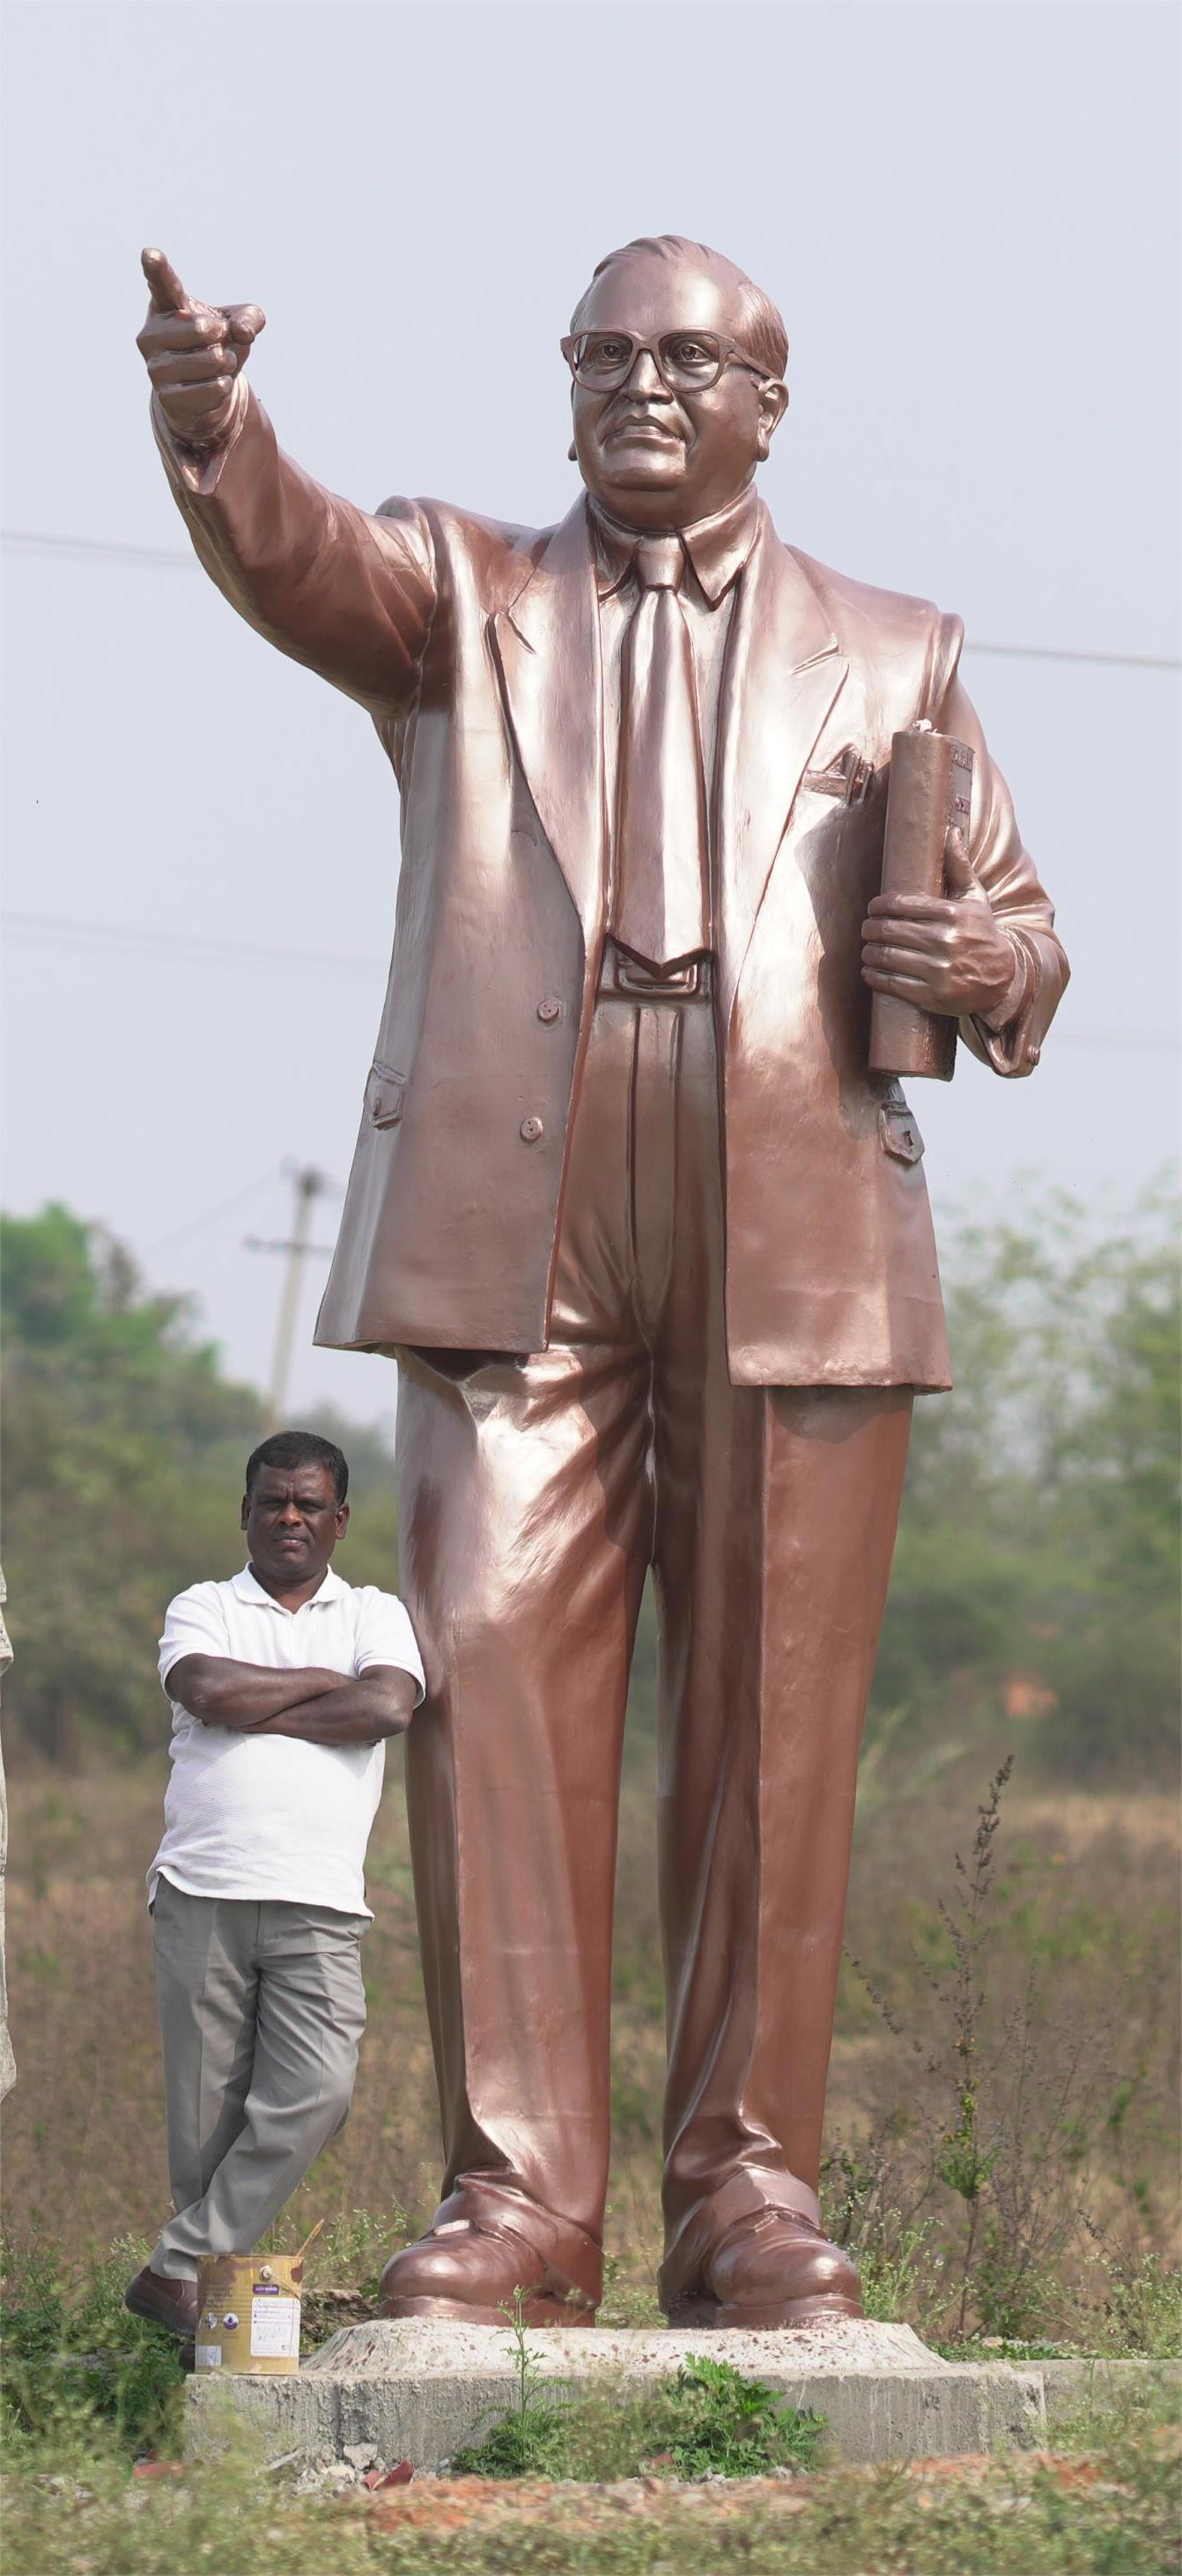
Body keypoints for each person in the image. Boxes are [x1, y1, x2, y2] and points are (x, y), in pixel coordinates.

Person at [135, 234, 1067, 2330]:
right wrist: (215, 428)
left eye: (682, 356)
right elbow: (295, 564)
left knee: (770, 1724)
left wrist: (976, 962)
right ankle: (518, 2198)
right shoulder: (462, 595)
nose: (637, 385)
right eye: (599, 354)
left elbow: (1023, 930)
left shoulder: (891, 651)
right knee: (493, 1710)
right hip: (518, 1209)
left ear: (764, 399)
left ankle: (746, 2194)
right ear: (562, 389)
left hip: (790, 1204)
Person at [124, 1430, 423, 2336]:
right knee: (207, 2140)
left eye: (306, 1505)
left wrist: (273, 1700)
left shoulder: (375, 1611)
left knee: (318, 2092)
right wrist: (321, 1686)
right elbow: (207, 1688)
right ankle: (220, 2356)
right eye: (270, 1502)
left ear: (338, 1520)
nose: (287, 1517)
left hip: (320, 1905)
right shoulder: (203, 1605)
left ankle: (175, 2269)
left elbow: (386, 1706)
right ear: (244, 1512)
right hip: (203, 1894)